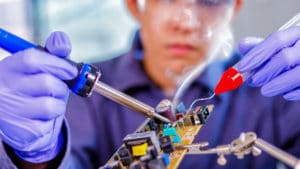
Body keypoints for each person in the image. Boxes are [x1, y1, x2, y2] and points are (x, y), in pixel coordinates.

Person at [0, 0, 300, 168]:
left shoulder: (278, 92)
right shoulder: (74, 98)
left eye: (208, 1)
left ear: (234, 7)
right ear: (134, 5)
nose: (186, 21)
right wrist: (35, 158)